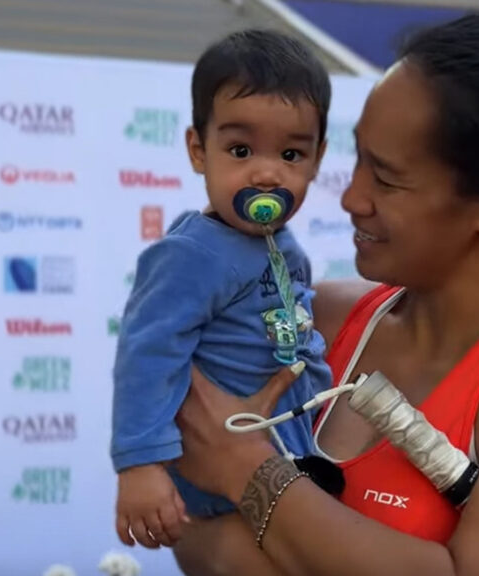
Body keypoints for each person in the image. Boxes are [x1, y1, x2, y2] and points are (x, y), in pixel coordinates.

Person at [170, 14, 479, 576]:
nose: (352, 198)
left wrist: (243, 469)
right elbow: (190, 526)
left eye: (386, 179)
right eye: (358, 158)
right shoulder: (321, 316)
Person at [110, 30, 334, 549]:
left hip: (285, 448)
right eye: (239, 149)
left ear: (318, 159)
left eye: (291, 154)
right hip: (220, 470)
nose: (265, 172)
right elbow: (146, 355)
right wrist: (140, 466)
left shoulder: (284, 245)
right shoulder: (191, 253)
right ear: (198, 150)